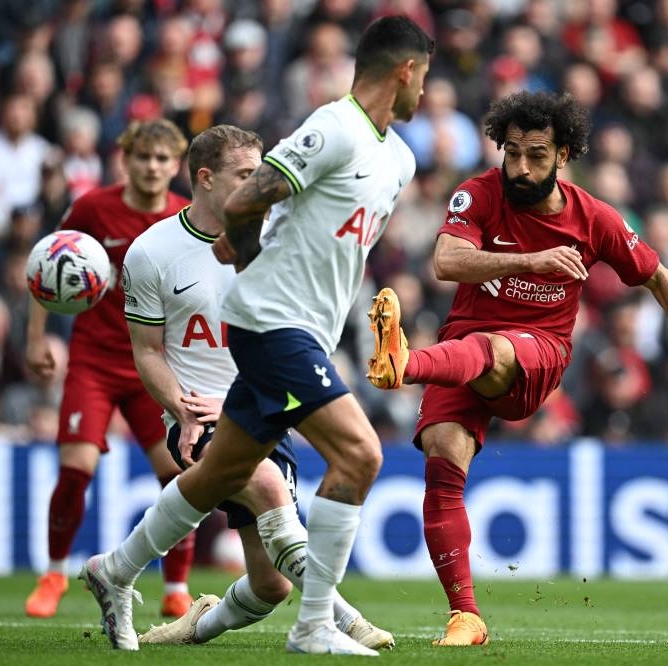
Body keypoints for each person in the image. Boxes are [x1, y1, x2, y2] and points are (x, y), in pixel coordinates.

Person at [78, 16, 434, 656]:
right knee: (361, 455)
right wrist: (247, 267)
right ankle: (319, 625)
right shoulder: (334, 127)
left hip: (309, 331)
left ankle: (115, 570)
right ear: (406, 70)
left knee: (223, 474)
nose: (425, 95)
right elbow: (245, 206)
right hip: (273, 322)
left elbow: (331, 249)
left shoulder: (399, 159)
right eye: (425, 77)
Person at [366, 90, 668, 646]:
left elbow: (660, 277)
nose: (520, 167)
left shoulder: (595, 218)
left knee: (498, 347)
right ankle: (465, 616)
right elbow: (445, 261)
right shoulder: (479, 194)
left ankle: (405, 363)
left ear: (563, 154)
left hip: (536, 353)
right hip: (459, 348)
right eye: (511, 152)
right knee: (443, 457)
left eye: (535, 155)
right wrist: (528, 259)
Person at [114, 124, 392, 651]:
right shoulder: (152, 252)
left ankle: (188, 624)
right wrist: (181, 405)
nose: (258, 183)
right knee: (266, 489)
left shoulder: (277, 241)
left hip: (264, 404)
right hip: (195, 414)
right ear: (206, 179)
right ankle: (342, 620)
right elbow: (147, 351)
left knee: (270, 585)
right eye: (245, 175)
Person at [24, 119, 193, 619]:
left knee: (181, 475)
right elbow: (47, 267)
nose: (152, 167)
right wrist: (37, 338)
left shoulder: (183, 217)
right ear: (126, 160)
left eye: (162, 159)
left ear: (176, 165)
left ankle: (176, 587)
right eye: (143, 157)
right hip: (94, 362)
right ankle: (54, 573)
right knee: (76, 471)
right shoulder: (93, 208)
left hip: (155, 366)